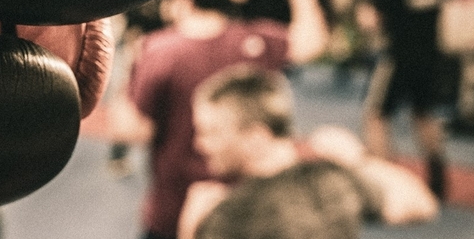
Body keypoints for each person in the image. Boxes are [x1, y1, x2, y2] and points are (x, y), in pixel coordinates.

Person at [124, 0, 329, 239]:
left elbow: (132, 129)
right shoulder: (254, 39)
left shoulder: (159, 48)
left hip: (177, 205)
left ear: (182, 1)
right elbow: (312, 43)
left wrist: (129, 70)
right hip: (254, 208)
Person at [178, 64, 439, 239]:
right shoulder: (333, 180)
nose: (199, 144)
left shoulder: (231, 216)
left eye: (210, 132)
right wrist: (358, 159)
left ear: (256, 137)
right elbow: (420, 204)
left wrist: (192, 226)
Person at [360, 0, 469, 200]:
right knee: (425, 116)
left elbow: (370, 22)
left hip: (397, 61)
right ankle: (437, 177)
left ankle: (385, 180)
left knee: (377, 116)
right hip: (431, 62)